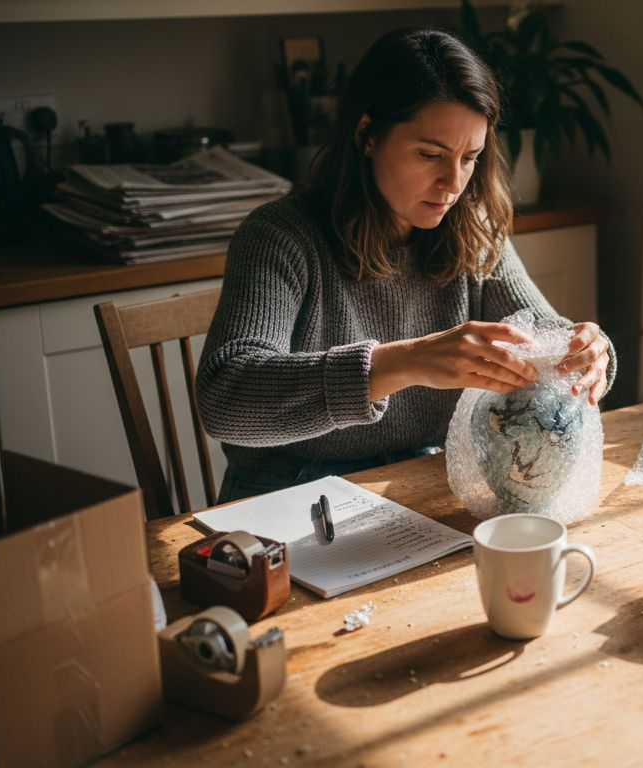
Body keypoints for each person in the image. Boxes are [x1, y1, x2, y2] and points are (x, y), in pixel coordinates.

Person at [197, 28, 614, 503]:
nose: (452, 183)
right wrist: (406, 361)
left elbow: (547, 334)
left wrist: (590, 354)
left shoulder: (472, 230)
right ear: (366, 134)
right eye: (430, 154)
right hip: (286, 491)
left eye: (470, 158)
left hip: (421, 479)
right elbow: (225, 400)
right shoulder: (280, 236)